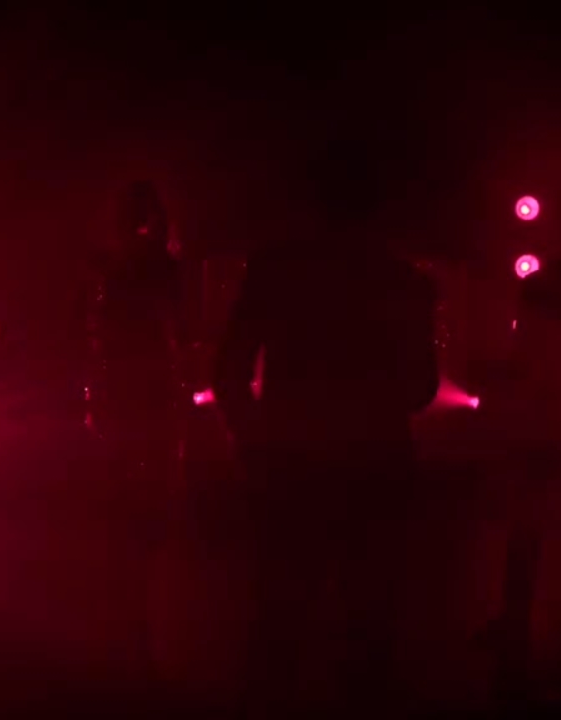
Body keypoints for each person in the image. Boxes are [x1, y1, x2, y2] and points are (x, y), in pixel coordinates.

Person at [215, 129, 439, 713]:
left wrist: (255, 442)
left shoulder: (274, 269)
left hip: (289, 468)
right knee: (371, 631)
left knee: (277, 627)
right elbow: (421, 388)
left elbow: (230, 372)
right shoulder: (403, 281)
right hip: (376, 467)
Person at [88, 179, 183, 690]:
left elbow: (100, 332)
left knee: (126, 483)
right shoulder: (155, 267)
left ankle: (125, 612)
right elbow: (178, 326)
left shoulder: (115, 269)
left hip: (130, 387)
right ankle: (136, 607)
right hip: (146, 386)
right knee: (145, 484)